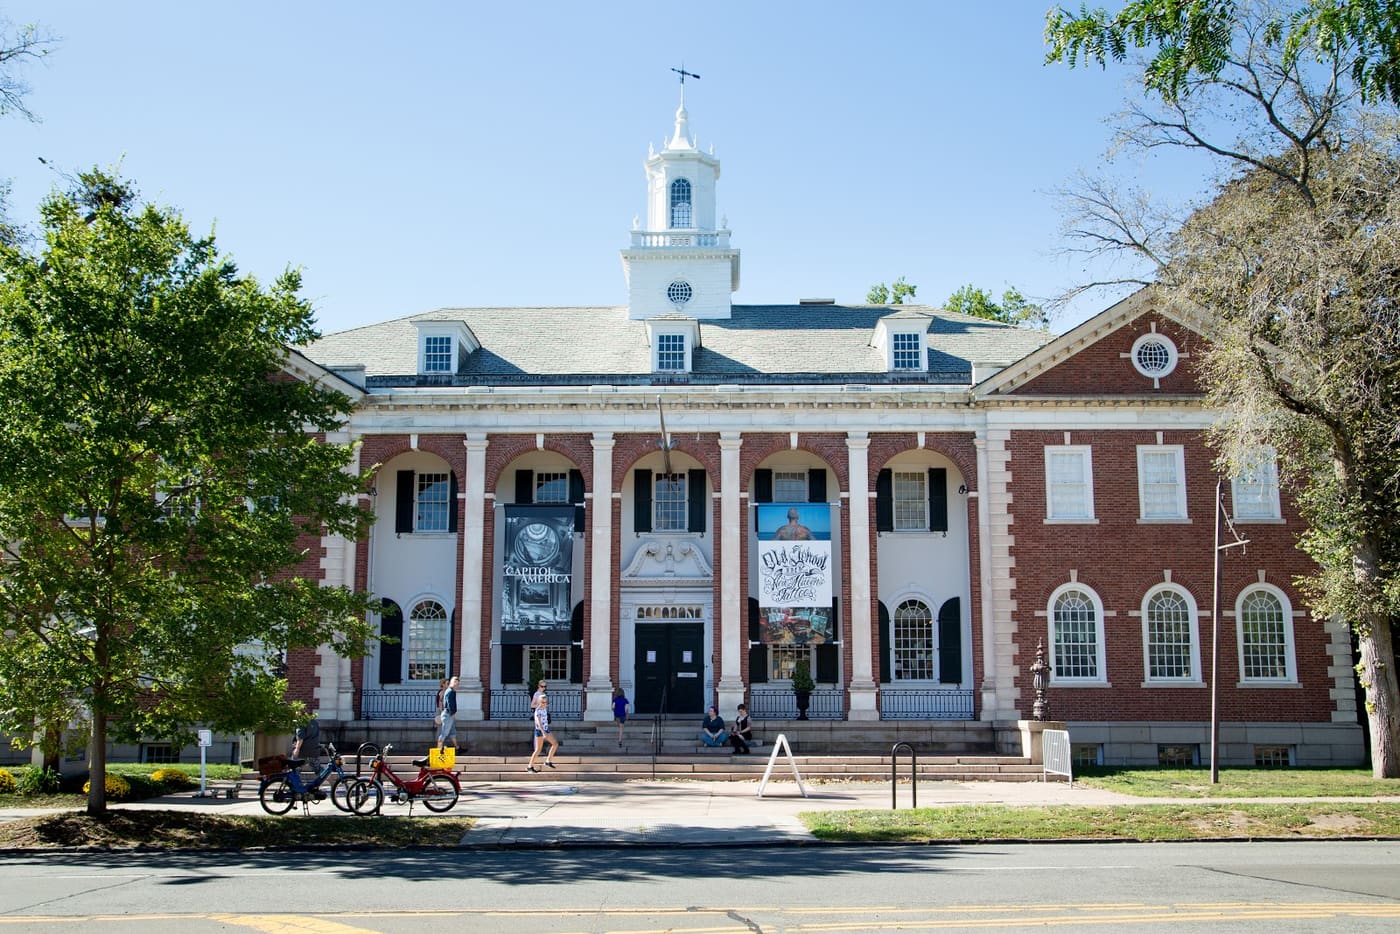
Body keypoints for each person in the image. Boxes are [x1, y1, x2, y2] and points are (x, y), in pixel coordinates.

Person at [526, 693, 559, 772]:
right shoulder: (538, 711)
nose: (544, 704)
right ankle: (530, 766)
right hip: (540, 731)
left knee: (555, 744)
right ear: (539, 702)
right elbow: (539, 723)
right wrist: (543, 732)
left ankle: (548, 761)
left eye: (546, 702)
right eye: (542, 702)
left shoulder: (544, 709)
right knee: (538, 750)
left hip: (546, 729)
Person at [437, 675, 458, 753]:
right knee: (443, 733)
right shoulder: (444, 692)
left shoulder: (448, 691)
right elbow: (441, 703)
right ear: (443, 684)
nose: (448, 684)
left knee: (452, 732)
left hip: (447, 714)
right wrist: (444, 713)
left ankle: (457, 747)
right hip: (446, 713)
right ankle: (438, 750)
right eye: (447, 683)